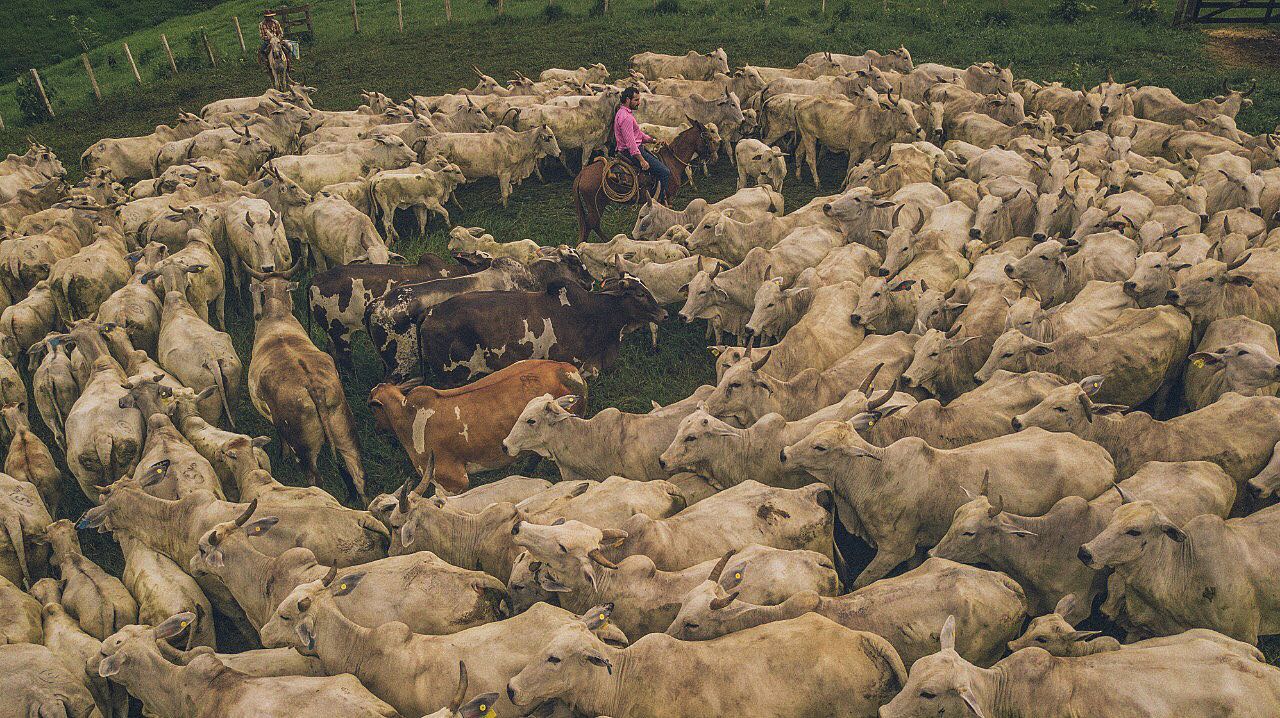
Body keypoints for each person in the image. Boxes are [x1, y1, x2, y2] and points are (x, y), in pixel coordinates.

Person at [613, 87, 671, 203]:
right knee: (665, 172)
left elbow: (638, 134)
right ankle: (659, 202)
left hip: (630, 150)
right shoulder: (626, 118)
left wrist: (653, 140)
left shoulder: (623, 113)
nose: (639, 103)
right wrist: (641, 160)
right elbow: (631, 144)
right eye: (636, 100)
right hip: (631, 152)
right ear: (628, 100)